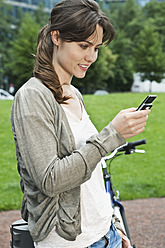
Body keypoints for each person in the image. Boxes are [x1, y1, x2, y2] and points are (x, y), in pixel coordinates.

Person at [10, 0, 150, 247]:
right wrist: (112, 134)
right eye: (84, 45)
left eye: (96, 48)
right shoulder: (32, 96)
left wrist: (113, 225)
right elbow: (50, 180)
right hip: (70, 241)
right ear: (56, 37)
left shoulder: (74, 93)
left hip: (106, 235)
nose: (91, 57)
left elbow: (91, 172)